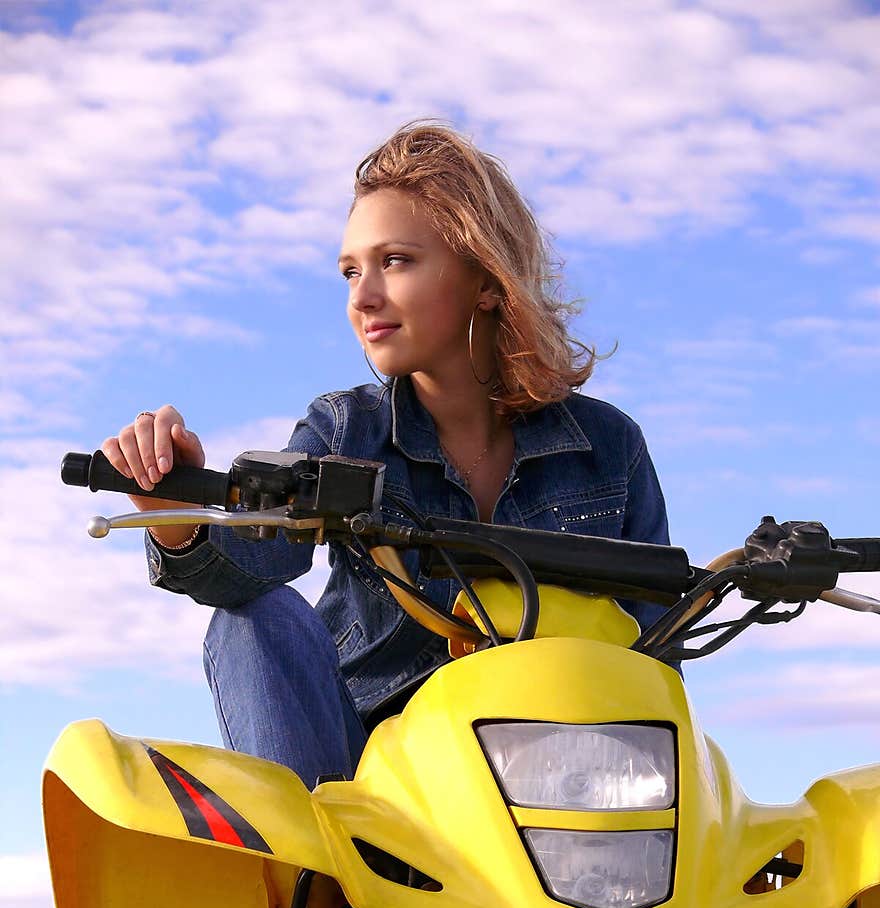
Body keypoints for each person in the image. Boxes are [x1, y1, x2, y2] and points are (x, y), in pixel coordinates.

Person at [100, 120, 673, 791]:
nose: (362, 297)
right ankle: (315, 881)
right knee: (256, 618)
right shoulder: (344, 430)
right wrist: (176, 512)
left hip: (562, 777)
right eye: (350, 271)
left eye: (395, 261)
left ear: (485, 279)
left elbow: (662, 653)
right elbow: (258, 559)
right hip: (377, 786)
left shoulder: (610, 447)